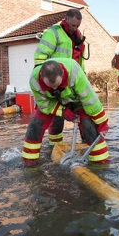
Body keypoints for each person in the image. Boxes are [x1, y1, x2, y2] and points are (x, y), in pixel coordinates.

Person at [21, 58, 109, 167]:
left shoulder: (75, 72)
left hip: (76, 101)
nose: (54, 88)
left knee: (89, 127)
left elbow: (90, 101)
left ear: (63, 74)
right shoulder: (34, 79)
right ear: (41, 77)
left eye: (57, 85)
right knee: (34, 126)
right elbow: (43, 104)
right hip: (51, 102)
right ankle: (30, 165)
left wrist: (102, 123)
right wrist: (63, 112)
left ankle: (100, 164)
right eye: (50, 86)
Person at [34, 8, 89, 144]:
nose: (75, 28)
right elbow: (40, 59)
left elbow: (79, 63)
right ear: (66, 19)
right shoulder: (53, 33)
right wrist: (47, 82)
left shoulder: (78, 37)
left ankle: (87, 141)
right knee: (55, 117)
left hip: (72, 83)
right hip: (55, 82)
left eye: (77, 26)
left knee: (82, 112)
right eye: (73, 25)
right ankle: (55, 145)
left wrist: (82, 79)